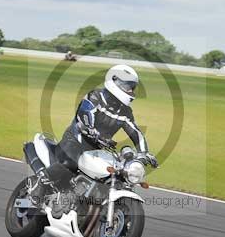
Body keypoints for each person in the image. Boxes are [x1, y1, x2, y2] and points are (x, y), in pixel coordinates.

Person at [28, 65, 157, 207]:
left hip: (98, 149)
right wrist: (91, 130)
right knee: (69, 163)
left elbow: (135, 132)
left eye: (132, 87)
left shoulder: (125, 112)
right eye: (128, 86)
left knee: (114, 175)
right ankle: (41, 183)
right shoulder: (95, 96)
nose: (131, 91)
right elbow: (85, 113)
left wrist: (144, 153)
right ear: (114, 81)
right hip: (76, 139)